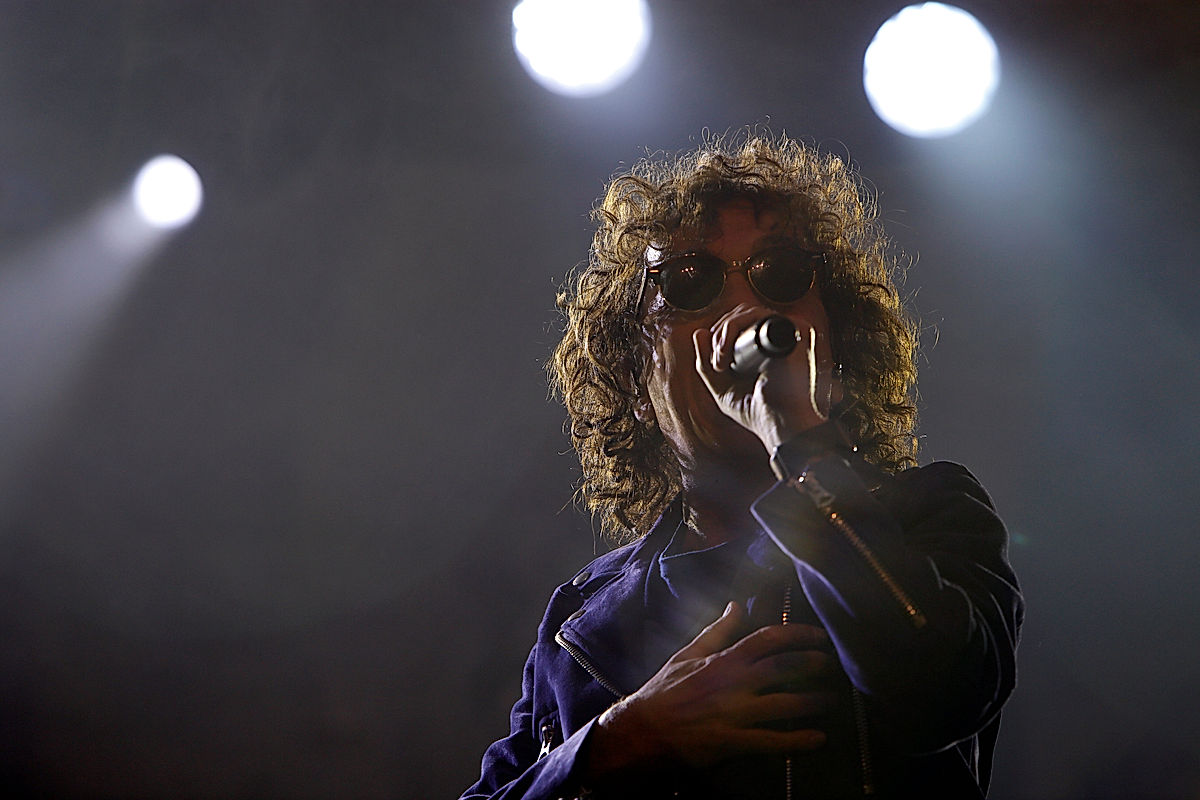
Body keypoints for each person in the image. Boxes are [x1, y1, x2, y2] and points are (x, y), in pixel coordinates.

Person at [461, 133, 1023, 799]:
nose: (744, 312)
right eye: (689, 283)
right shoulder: (579, 621)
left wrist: (799, 443)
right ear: (637, 388)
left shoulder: (929, 517)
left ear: (835, 366)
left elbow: (942, 691)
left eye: (779, 276)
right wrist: (621, 741)